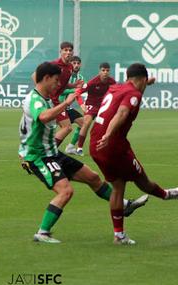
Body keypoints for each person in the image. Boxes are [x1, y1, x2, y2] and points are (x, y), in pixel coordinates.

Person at [19, 62, 149, 244]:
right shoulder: (36, 100)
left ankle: (125, 205)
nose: (59, 84)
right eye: (56, 80)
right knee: (65, 191)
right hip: (38, 157)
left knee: (93, 177)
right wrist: (66, 102)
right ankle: (43, 232)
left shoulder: (44, 95)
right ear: (46, 79)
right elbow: (44, 117)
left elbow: (38, 78)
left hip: (52, 152)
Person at [89, 63, 178, 246]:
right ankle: (167, 194)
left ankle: (119, 236)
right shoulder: (133, 94)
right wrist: (109, 134)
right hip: (113, 145)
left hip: (95, 144)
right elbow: (122, 113)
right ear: (142, 79)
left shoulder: (116, 87)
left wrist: (145, 84)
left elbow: (127, 100)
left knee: (118, 186)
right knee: (143, 182)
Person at [33, 42, 84, 147]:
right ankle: (49, 151)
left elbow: (61, 85)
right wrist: (42, 93)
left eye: (70, 50)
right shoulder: (54, 64)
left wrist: (73, 85)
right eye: (65, 50)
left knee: (63, 128)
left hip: (56, 101)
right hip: (49, 100)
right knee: (66, 127)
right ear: (60, 52)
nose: (68, 52)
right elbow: (34, 75)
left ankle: (48, 150)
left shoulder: (70, 67)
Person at [75, 62, 116, 156]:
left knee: (109, 125)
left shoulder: (112, 82)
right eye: (103, 70)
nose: (105, 72)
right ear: (99, 71)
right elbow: (78, 92)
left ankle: (105, 147)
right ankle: (79, 148)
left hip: (104, 107)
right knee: (87, 122)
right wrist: (81, 104)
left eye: (107, 70)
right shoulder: (92, 82)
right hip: (92, 105)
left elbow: (116, 94)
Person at [58, 56, 86, 155]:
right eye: (74, 63)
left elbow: (78, 93)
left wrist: (82, 104)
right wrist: (73, 90)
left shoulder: (81, 78)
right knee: (64, 128)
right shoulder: (65, 75)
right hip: (57, 106)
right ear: (70, 64)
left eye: (78, 63)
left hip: (67, 107)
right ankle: (48, 149)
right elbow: (60, 91)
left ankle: (70, 147)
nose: (76, 65)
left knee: (84, 124)